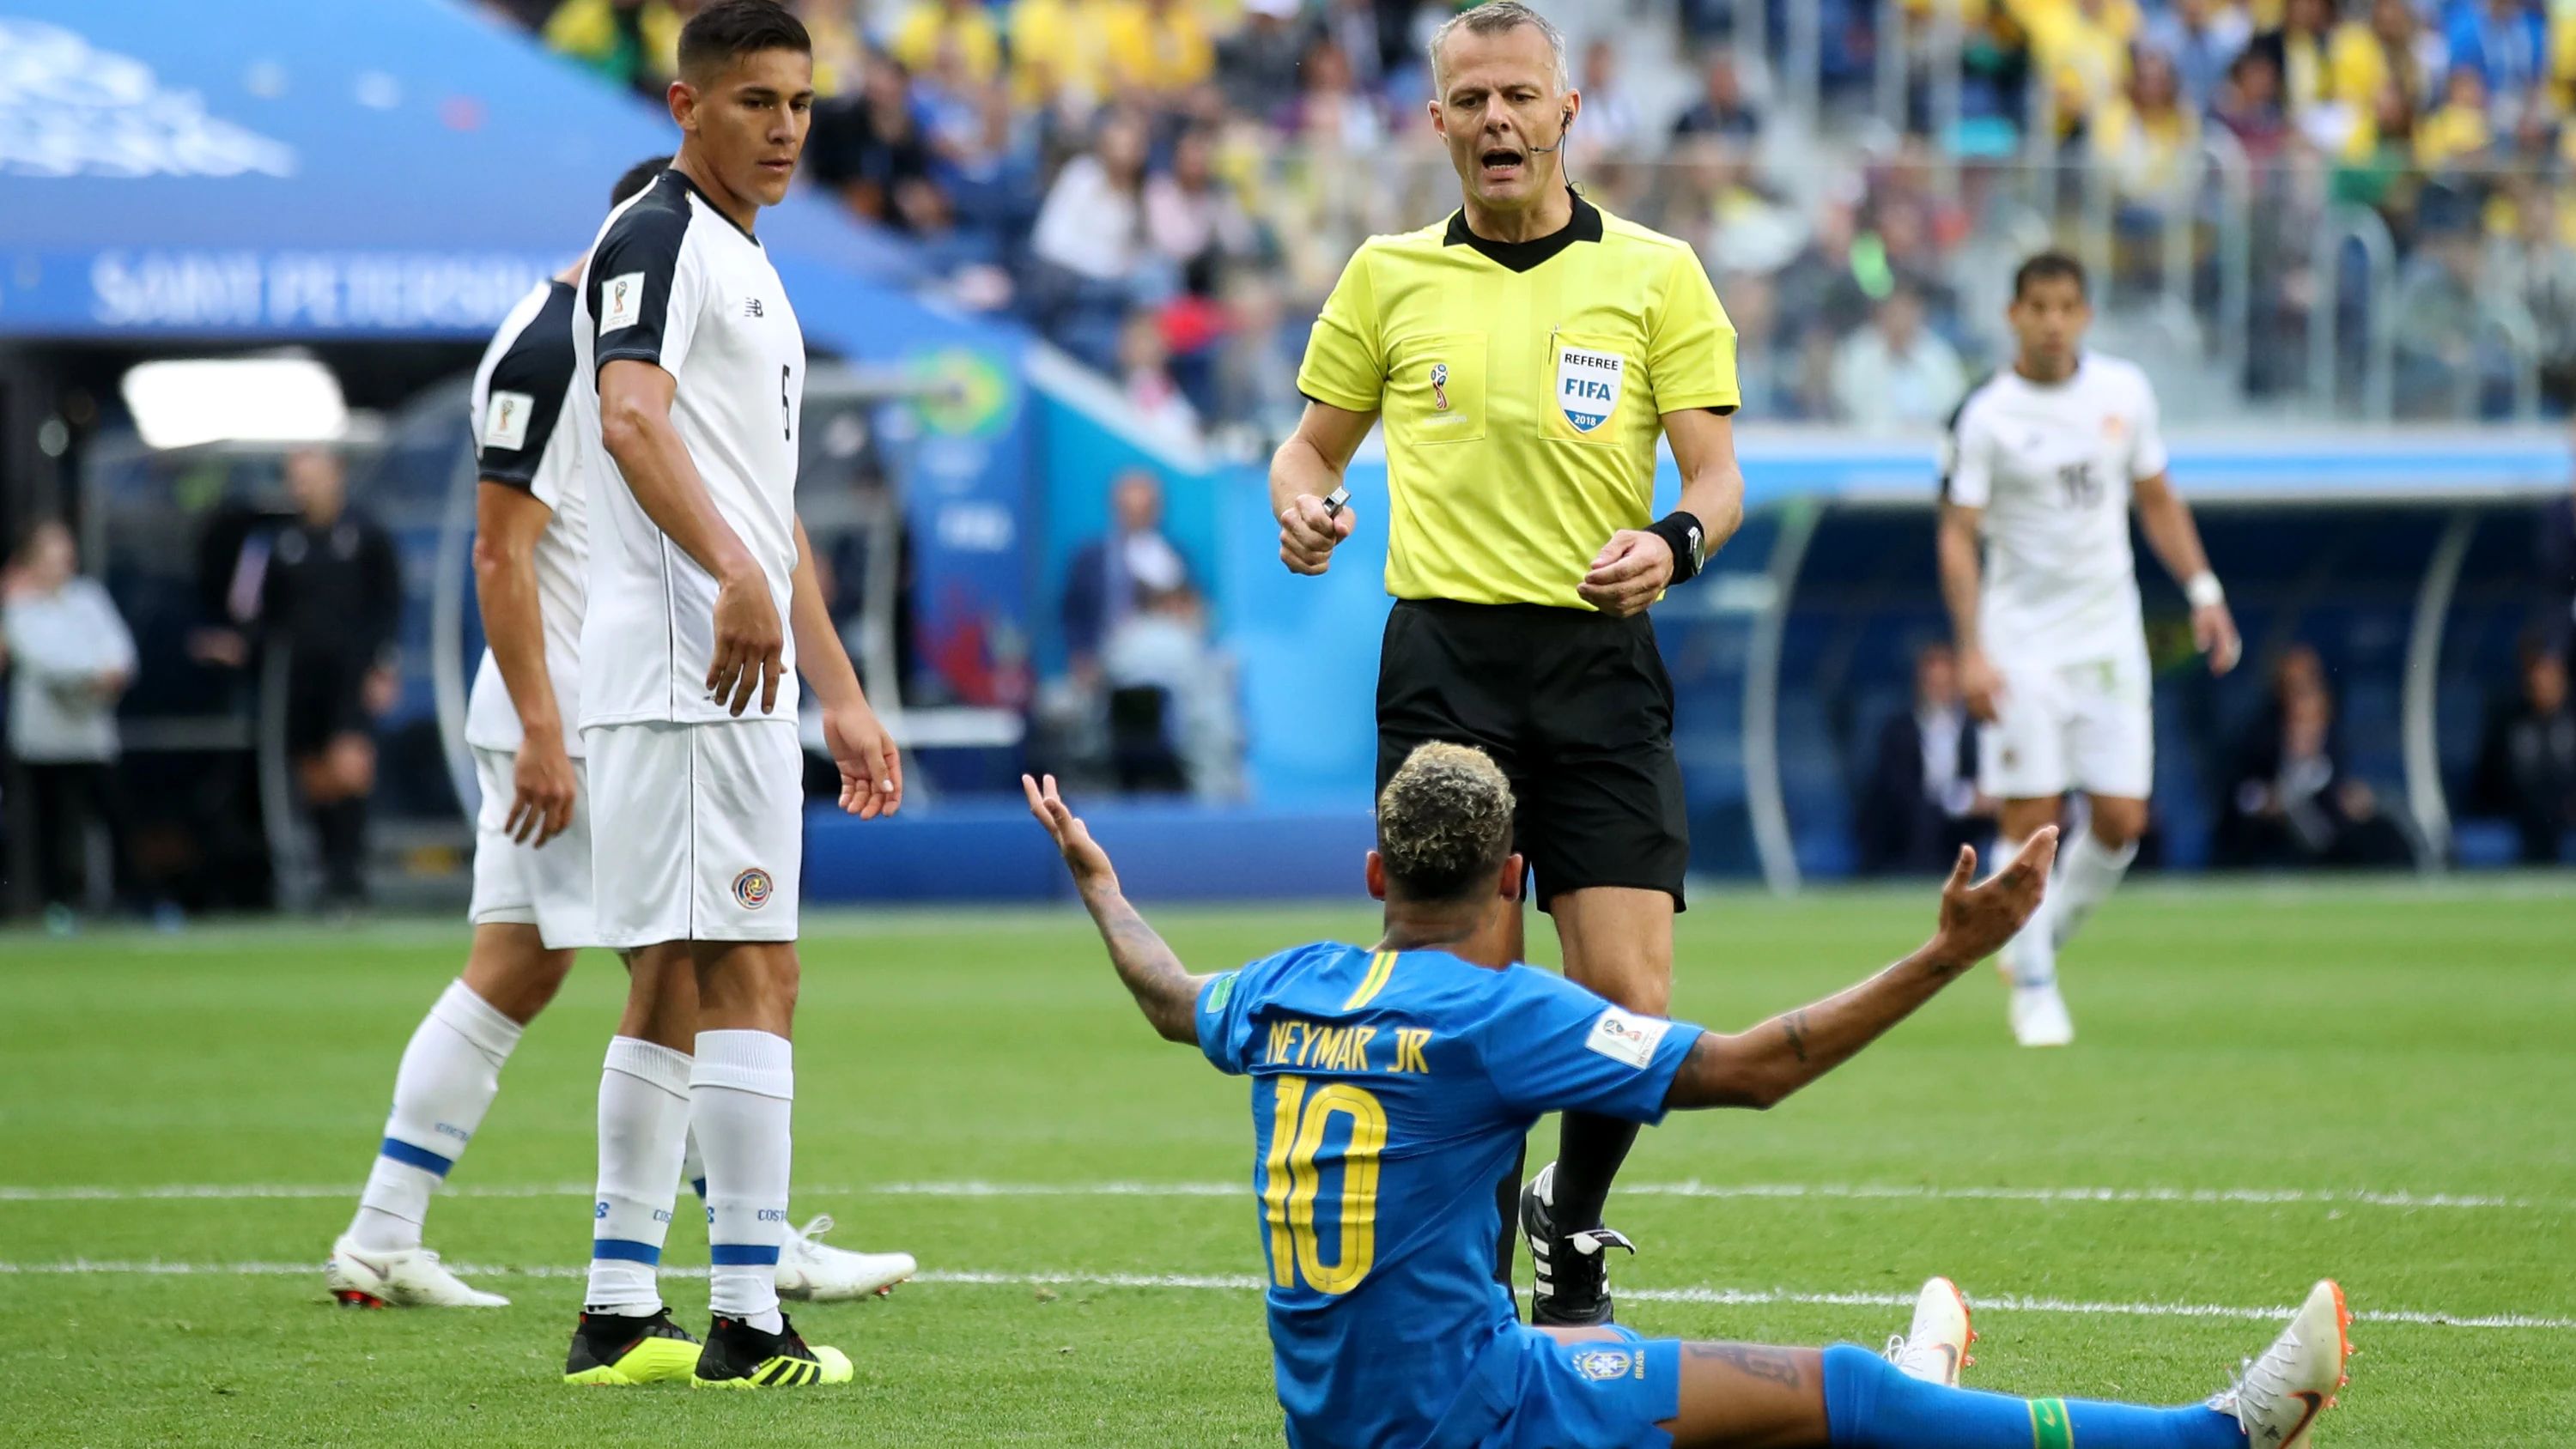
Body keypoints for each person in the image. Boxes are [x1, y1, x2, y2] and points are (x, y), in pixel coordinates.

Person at [1021, 744, 2352, 1449]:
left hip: (1358, 1416)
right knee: (1837, 1395)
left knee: (1732, 1399)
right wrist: (1952, 952)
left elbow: (1162, 990)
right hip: (1472, 1419)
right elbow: (1759, 1067)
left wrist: (1099, 882)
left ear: (1377, 874)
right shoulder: (1500, 1014)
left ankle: (1924, 1387)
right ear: (1516, 880)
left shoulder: (1291, 987)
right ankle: (2216, 1434)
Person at [321, 157, 913, 1326]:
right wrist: (545, 726)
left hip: (579, 706)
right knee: (700, 970)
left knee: (521, 967)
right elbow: (500, 550)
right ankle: (749, 1252)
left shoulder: (605, 326)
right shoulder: (556, 346)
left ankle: (381, 1234)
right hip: (589, 711)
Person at [1270, 1, 1751, 1327]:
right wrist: (1300, 500)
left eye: (1517, 97)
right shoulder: (1386, 274)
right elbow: (1308, 447)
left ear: (1566, 111)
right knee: (1460, 1005)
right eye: (1469, 99)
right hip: (1445, 668)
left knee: (1630, 999)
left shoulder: (1658, 274)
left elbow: (1716, 474)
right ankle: (1471, 1301)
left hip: (1599, 660)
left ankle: (1571, 1218)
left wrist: (1678, 541)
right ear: (1435, 121)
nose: (1496, 120)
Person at [568, 0, 904, 1390]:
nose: (783, 128)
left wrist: (844, 690)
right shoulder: (656, 233)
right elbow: (631, 415)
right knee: (752, 972)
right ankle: (749, 1313)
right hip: (692, 668)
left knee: (671, 980)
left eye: (801, 103)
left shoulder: (744, 259)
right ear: (684, 105)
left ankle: (615, 1305)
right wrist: (732, 575)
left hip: (730, 669)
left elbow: (771, 519)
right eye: (756, 101)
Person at [1937, 252, 2241, 1048]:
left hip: (2108, 634)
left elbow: (2157, 500)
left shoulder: (2124, 393)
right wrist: (1971, 650)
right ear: (2013, 315)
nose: (2051, 320)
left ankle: (2038, 941)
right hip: (2023, 642)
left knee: (2120, 820)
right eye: (2037, 305)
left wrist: (2204, 592)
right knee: (2033, 812)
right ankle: (2034, 984)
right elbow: (1957, 536)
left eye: (2066, 305)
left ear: (2086, 315)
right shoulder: (1987, 414)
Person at [262, 447, 403, 912]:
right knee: (316, 777)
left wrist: (383, 664)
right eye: (296, 478)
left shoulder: (365, 534)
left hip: (353, 672)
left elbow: (389, 603)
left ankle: (351, 877)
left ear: (336, 476)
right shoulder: (285, 542)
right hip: (302, 678)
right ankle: (328, 874)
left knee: (350, 767)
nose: (302, 487)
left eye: (311, 476)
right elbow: (266, 611)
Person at [2, 521, 134, 926]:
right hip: (44, 738)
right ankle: (58, 905)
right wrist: (93, 674)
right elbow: (45, 661)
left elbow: (119, 647)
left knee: (114, 815)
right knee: (51, 826)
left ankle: (129, 898)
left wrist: (112, 671)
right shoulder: (19, 607)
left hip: (91, 734)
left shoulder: (88, 598)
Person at [2215, 653, 2412, 870]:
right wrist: (2268, 801)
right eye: (2297, 691)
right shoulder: (2261, 742)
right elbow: (2242, 794)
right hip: (2275, 842)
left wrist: (2350, 798)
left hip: (2329, 845)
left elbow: (2336, 795)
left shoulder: (2333, 745)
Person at [1854, 642, 1993, 875]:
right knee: (1919, 819)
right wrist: (1951, 801)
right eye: (1933, 684)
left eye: (1947, 684)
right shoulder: (1898, 730)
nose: (1940, 691)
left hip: (1969, 825)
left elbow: (1985, 779)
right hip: (1913, 822)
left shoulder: (1977, 727)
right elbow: (1898, 787)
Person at [1061, 468, 1189, 682]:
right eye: (1130, 509)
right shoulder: (1090, 557)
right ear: (1117, 509)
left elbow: (1189, 610)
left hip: (1162, 661)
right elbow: (1073, 612)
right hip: (1105, 661)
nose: (1137, 516)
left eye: (1144, 509)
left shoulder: (1174, 556)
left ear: (1157, 510)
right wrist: (1081, 655)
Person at [2471, 636, 2576, 863]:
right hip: (2520, 816)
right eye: (2533, 671)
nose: (2539, 680)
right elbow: (2489, 778)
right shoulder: (2509, 720)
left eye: (2547, 671)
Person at [1830, 280, 1966, 433]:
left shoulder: (1938, 356)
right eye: (1894, 310)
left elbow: (1953, 406)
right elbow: (1848, 403)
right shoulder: (1859, 354)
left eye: (1907, 310)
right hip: (1870, 446)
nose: (1900, 318)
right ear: (1881, 312)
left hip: (1928, 444)